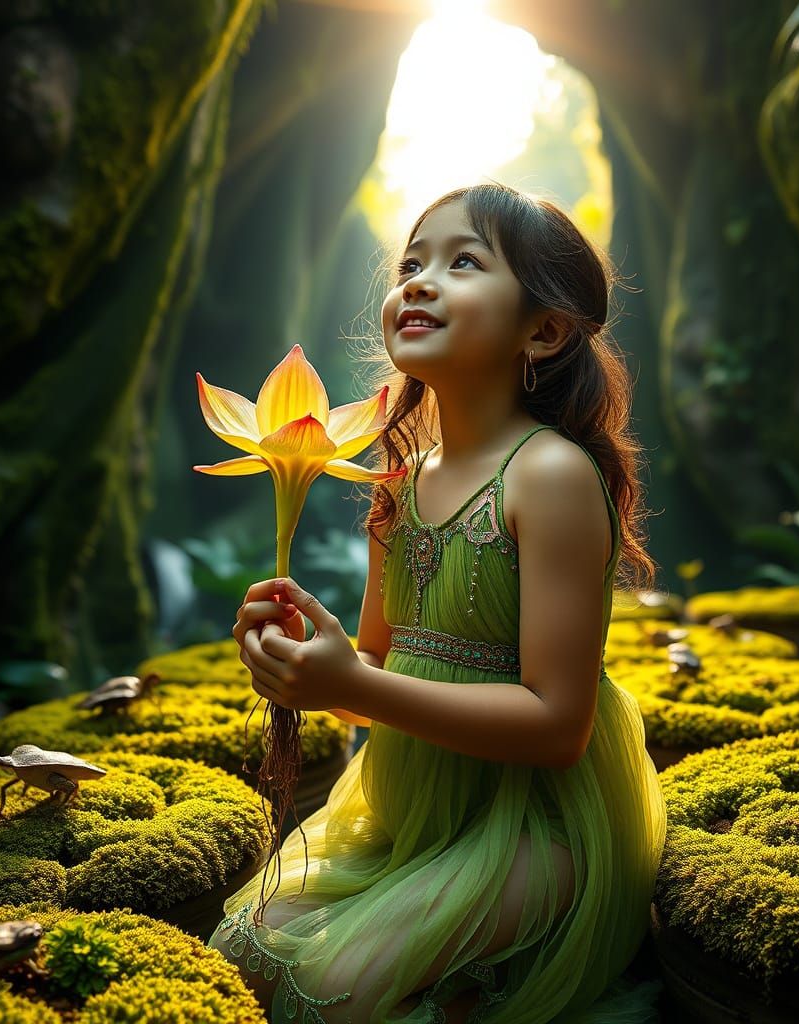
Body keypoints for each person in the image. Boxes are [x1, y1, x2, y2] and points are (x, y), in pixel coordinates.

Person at [207, 181, 667, 1024]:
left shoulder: (549, 476)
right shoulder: (403, 483)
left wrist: (350, 687)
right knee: (242, 955)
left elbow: (558, 726)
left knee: (333, 996)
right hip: (414, 814)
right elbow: (377, 658)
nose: (418, 281)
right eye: (411, 262)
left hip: (535, 827)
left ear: (546, 328)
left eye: (463, 262)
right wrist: (302, 661)